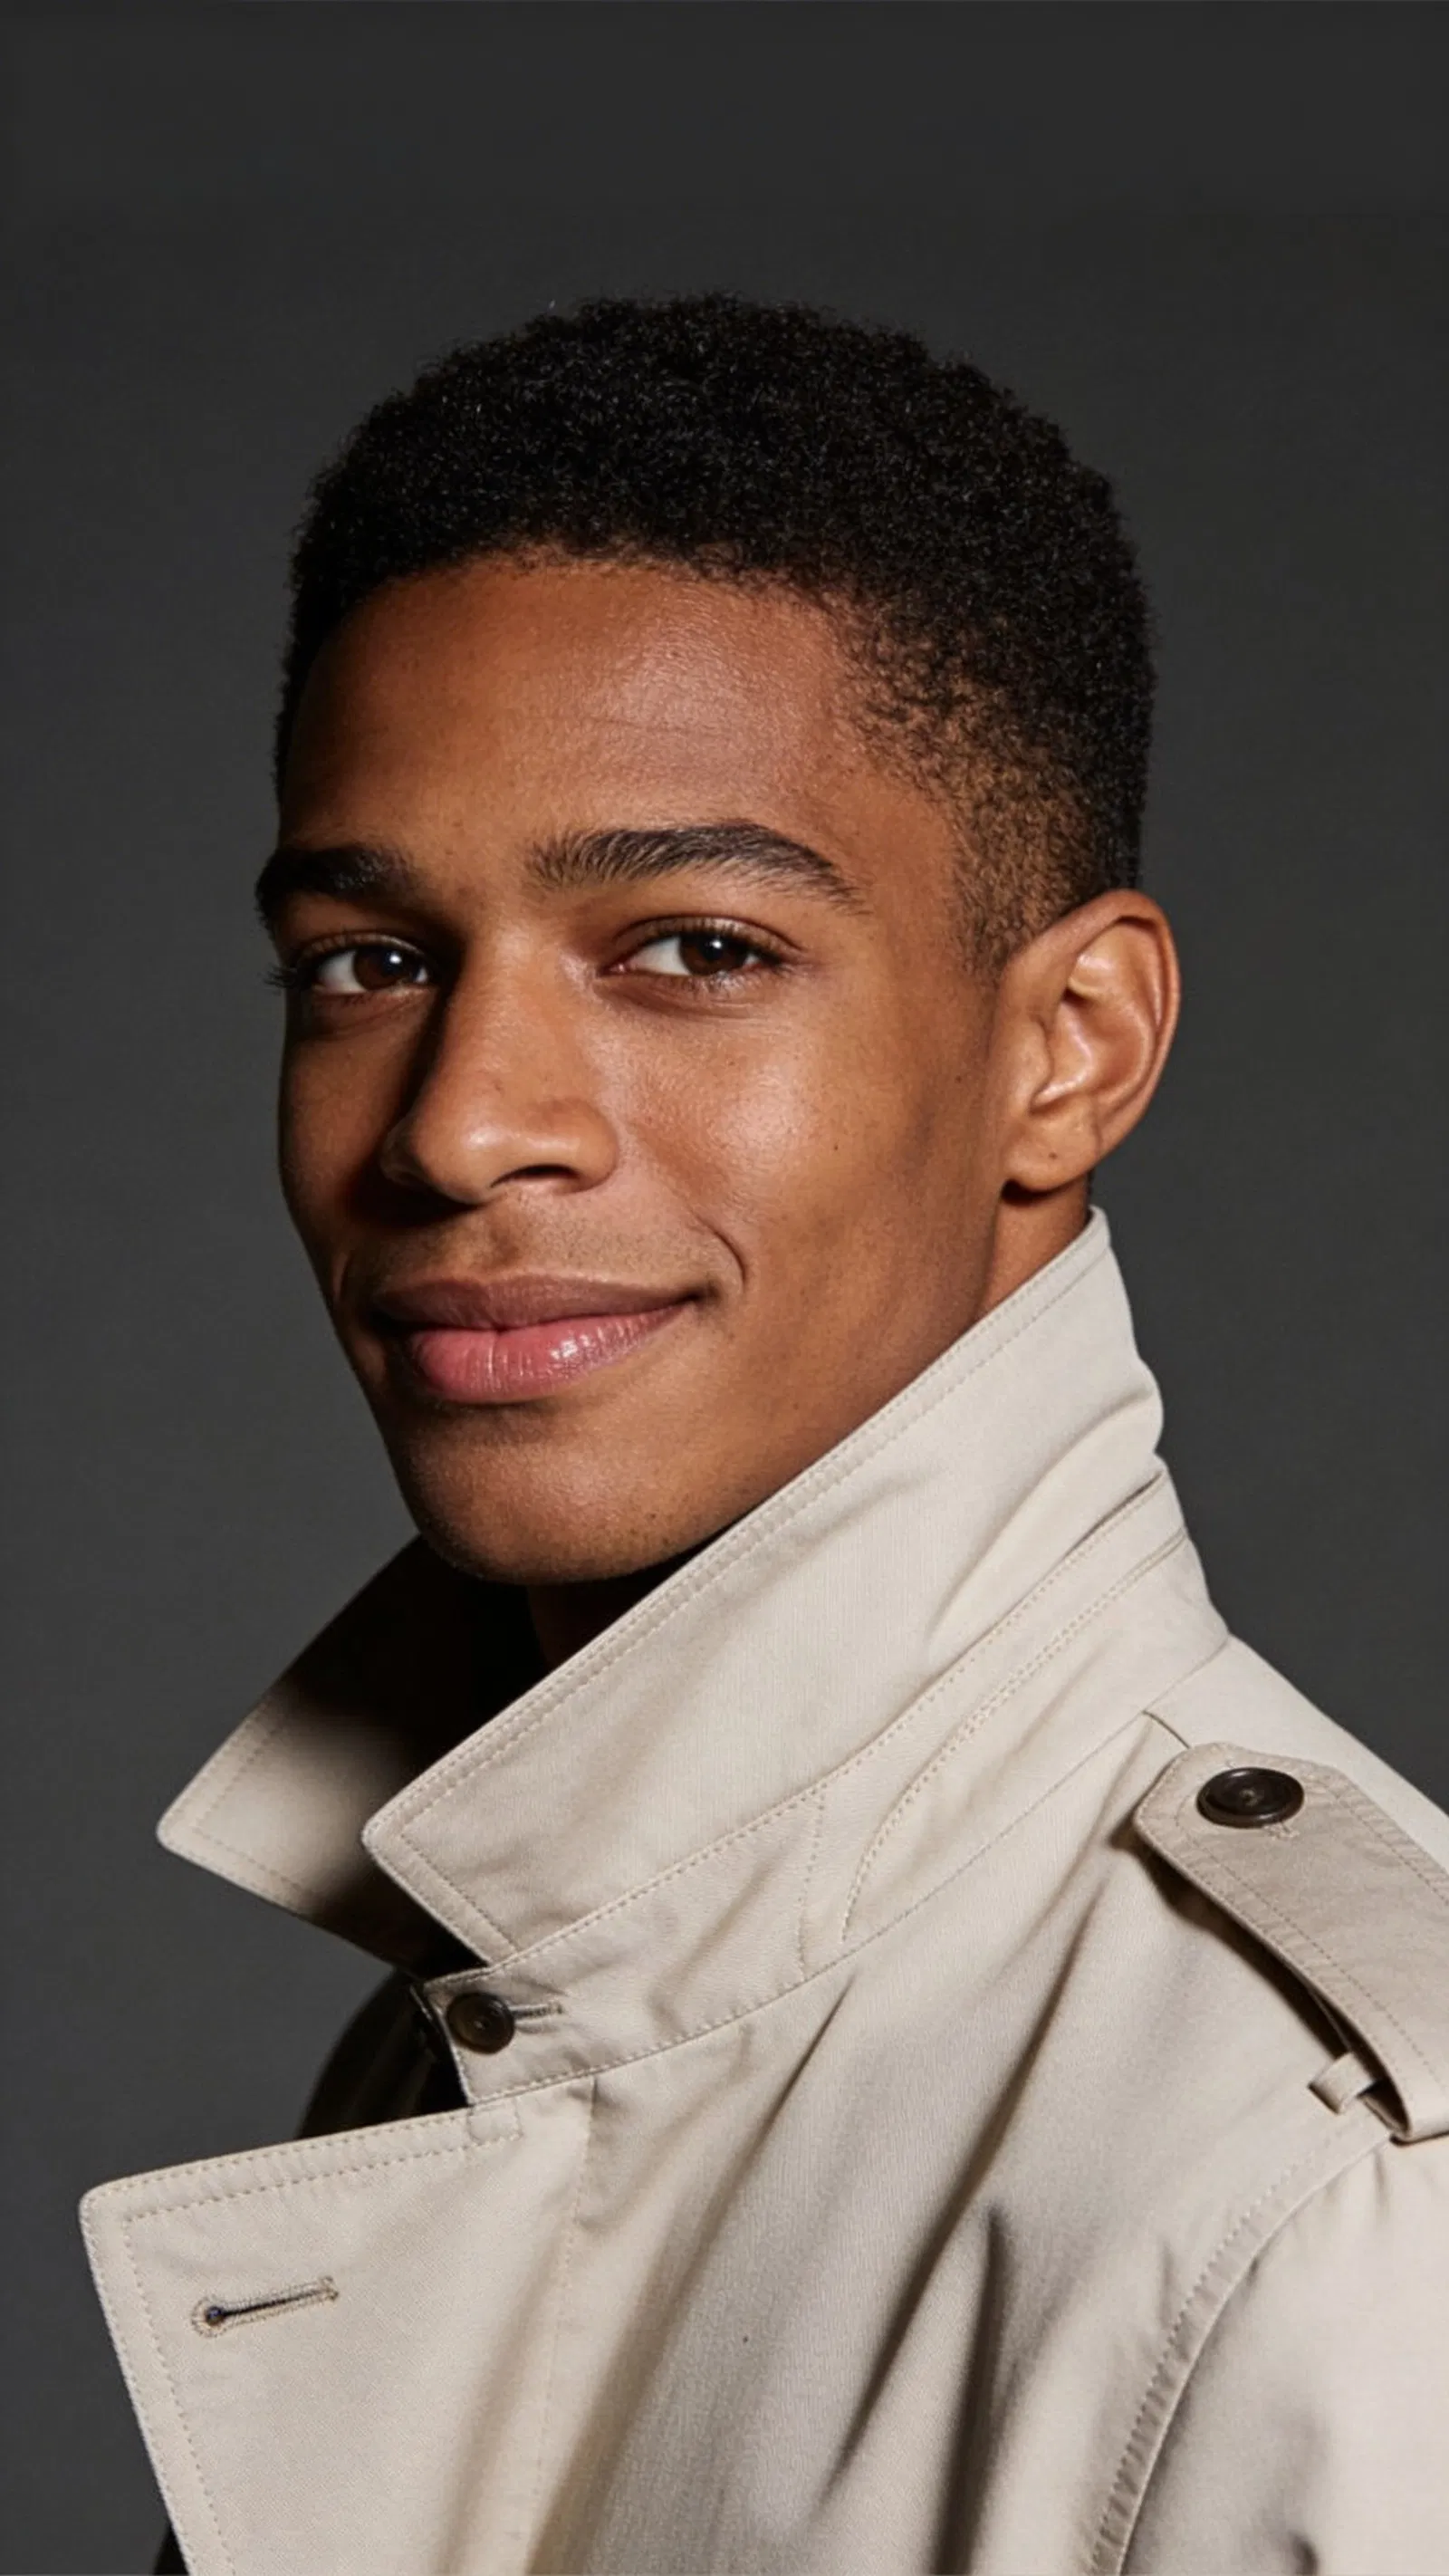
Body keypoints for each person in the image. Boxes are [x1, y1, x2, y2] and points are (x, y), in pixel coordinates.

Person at [84, 295, 1449, 2576]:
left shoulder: (1335, 2197)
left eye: (693, 949)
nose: (463, 1128)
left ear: (1068, 1048)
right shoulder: (490, 2011)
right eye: (370, 962)